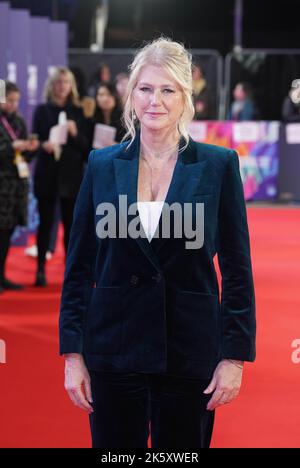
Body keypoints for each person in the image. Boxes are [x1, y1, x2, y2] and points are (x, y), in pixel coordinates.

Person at [59, 37, 256, 449]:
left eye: (168, 90)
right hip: (113, 348)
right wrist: (73, 354)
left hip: (188, 353)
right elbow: (79, 267)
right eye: (146, 89)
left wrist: (234, 356)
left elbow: (237, 270)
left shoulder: (218, 166)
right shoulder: (101, 165)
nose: (156, 101)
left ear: (185, 96)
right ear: (130, 95)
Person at [32, 67, 90, 287]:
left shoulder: (78, 111)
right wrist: (42, 145)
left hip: (72, 176)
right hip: (48, 173)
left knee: (71, 227)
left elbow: (86, 149)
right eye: (58, 82)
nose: (62, 86)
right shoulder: (42, 111)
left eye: (66, 82)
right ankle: (40, 269)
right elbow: (35, 141)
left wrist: (75, 133)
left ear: (71, 85)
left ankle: (70, 272)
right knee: (45, 224)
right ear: (51, 85)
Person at [0, 82, 39, 293]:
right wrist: (9, 148)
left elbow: (24, 156)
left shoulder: (18, 120)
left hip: (15, 186)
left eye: (16, 100)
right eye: (10, 100)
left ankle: (2, 275)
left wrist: (30, 148)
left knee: (7, 232)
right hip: (2, 183)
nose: (13, 105)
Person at [88, 82, 126, 148]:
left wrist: (117, 146)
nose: (105, 98)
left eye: (109, 94)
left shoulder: (125, 119)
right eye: (101, 95)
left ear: (115, 96)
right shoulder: (91, 119)